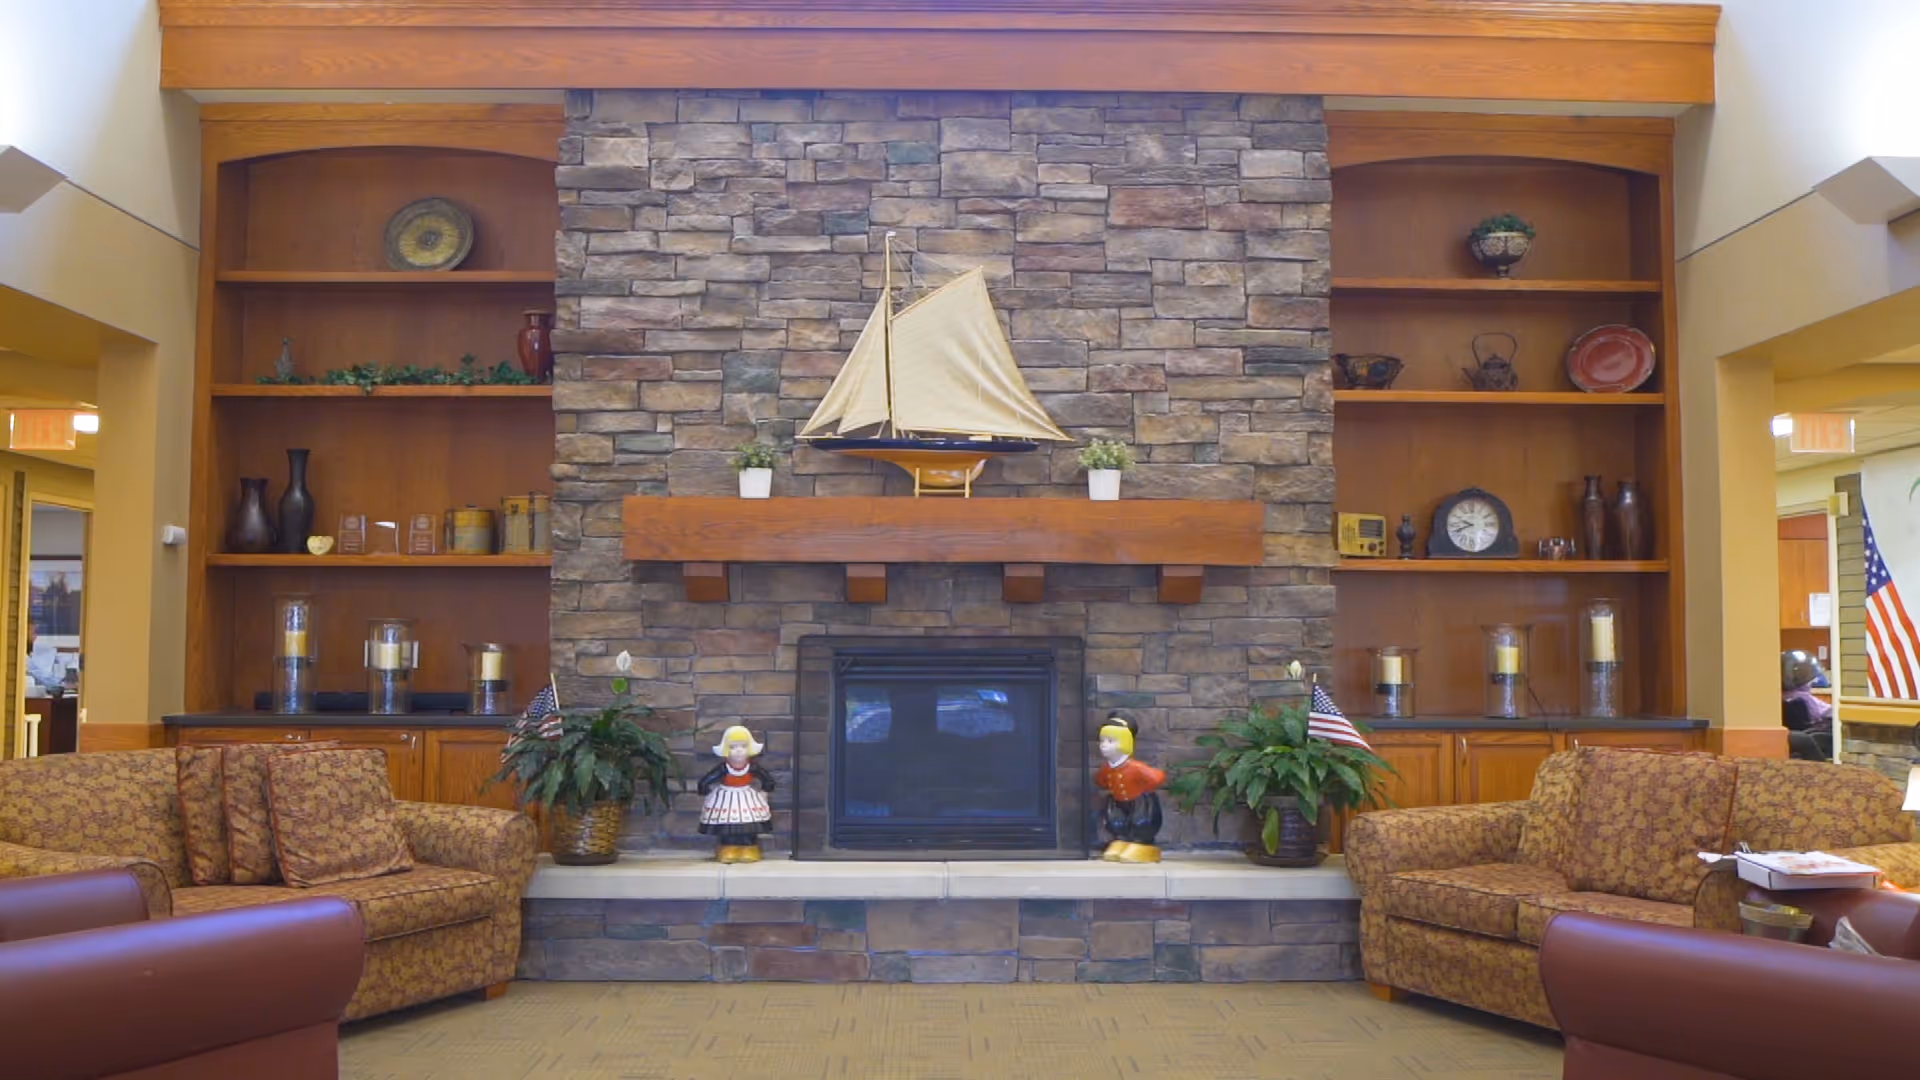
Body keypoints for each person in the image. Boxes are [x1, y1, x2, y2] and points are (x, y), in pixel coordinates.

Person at [697, 726, 775, 864]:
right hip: (726, 796)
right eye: (733, 747)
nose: (739, 751)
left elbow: (767, 779)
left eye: (743, 746)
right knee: (727, 825)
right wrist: (706, 794)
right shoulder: (723, 768)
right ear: (726, 750)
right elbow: (706, 780)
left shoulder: (751, 767)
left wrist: (764, 792)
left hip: (747, 795)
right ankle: (728, 847)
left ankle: (749, 847)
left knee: (749, 823)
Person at [1094, 714, 1166, 864]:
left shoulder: (1135, 767)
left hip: (1139, 802)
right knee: (1115, 821)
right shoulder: (1107, 768)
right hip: (1118, 802)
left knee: (1141, 822)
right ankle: (1121, 840)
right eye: (1102, 741)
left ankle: (1141, 843)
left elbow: (1157, 777)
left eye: (1110, 741)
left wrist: (1145, 785)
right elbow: (1101, 781)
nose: (1103, 745)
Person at [23, 625, 65, 696]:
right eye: (33, 633)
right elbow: (40, 675)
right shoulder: (23, 658)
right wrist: (62, 684)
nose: (35, 637)